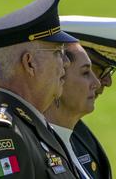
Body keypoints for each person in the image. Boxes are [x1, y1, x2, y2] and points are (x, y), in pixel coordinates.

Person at [0, 0, 80, 179]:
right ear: (29, 63)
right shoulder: (3, 138)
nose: (66, 62)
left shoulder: (25, 123)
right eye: (57, 52)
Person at [57, 15, 116, 179]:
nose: (105, 82)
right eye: (93, 69)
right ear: (58, 66)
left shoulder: (79, 135)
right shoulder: (20, 137)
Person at [44, 43, 101, 179]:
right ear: (59, 79)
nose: (97, 83)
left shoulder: (71, 141)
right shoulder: (37, 148)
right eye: (85, 72)